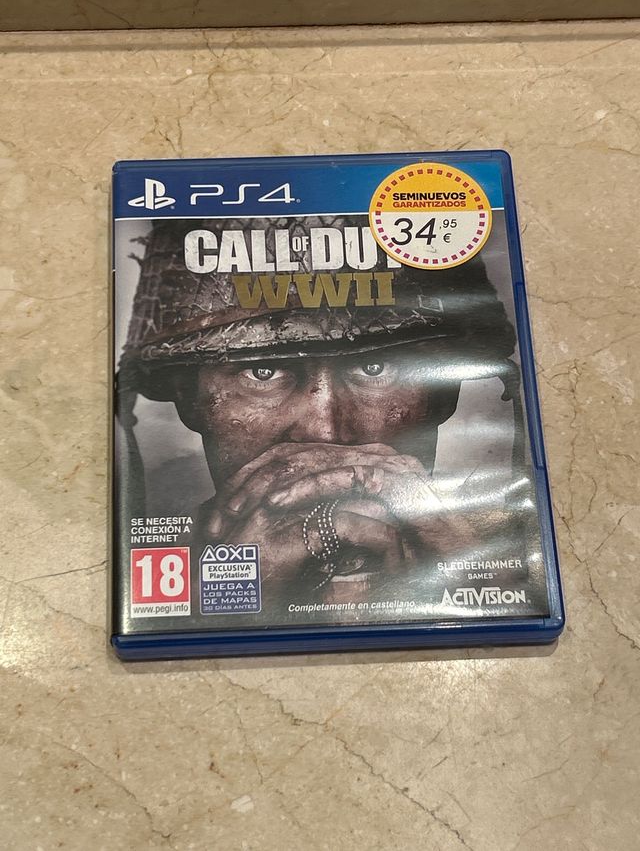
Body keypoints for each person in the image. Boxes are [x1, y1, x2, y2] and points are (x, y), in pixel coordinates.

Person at [117, 216, 524, 612]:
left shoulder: (506, 565)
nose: (325, 431)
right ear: (187, 397)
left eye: (375, 368)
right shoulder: (152, 585)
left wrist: (481, 587)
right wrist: (221, 619)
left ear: (445, 393)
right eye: (263, 372)